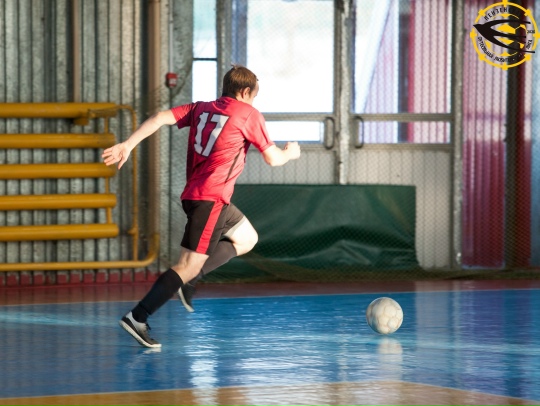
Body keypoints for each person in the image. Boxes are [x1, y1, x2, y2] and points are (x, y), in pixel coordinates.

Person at [102, 65, 301, 348]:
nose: (254, 101)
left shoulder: (200, 108)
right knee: (187, 265)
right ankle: (138, 316)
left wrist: (128, 144)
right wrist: (289, 153)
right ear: (245, 92)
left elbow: (159, 118)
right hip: (211, 199)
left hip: (199, 195)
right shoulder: (248, 114)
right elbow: (273, 159)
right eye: (254, 96)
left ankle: (191, 278)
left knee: (247, 238)